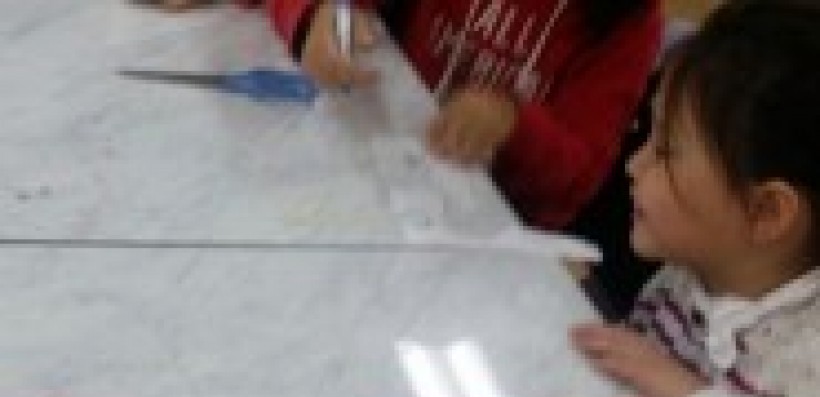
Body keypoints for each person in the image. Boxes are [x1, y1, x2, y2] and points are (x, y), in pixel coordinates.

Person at [572, 1, 820, 397]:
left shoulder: (806, 363)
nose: (633, 165)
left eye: (664, 151)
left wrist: (685, 395)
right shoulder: (688, 277)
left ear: (766, 211)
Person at [152, 0, 661, 231]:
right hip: (371, 174)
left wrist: (511, 123)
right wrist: (315, 18)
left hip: (488, 235)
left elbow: (575, 182)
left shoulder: (628, 24)